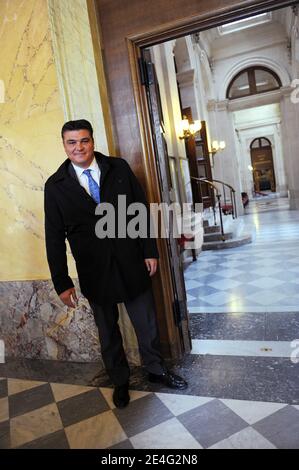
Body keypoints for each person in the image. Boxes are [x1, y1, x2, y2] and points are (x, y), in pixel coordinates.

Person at [44, 119, 187, 408]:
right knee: (107, 331)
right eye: (72, 142)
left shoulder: (118, 168)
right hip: (94, 270)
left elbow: (140, 211)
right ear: (64, 146)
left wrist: (150, 250)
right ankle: (119, 381)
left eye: (84, 140)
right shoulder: (55, 186)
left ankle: (156, 370)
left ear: (92, 141)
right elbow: (54, 237)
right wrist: (62, 282)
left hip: (131, 261)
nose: (78, 147)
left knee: (146, 323)